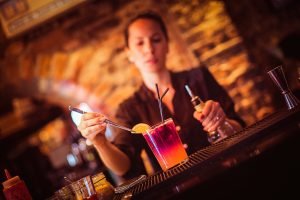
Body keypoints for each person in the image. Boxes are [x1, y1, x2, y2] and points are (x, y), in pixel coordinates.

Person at [77, 11, 245, 181]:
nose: (149, 49)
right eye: (140, 43)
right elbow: (123, 167)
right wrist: (100, 142)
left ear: (167, 44)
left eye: (156, 40)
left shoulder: (199, 78)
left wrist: (222, 122)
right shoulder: (129, 109)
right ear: (129, 53)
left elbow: (239, 127)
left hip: (226, 173)